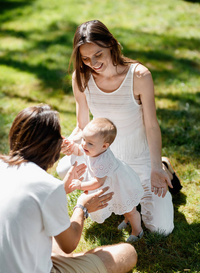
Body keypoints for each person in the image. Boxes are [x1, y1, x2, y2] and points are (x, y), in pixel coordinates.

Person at [57, 19, 182, 236]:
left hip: (138, 158)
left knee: (161, 229)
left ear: (111, 45)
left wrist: (153, 167)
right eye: (86, 58)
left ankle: (162, 166)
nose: (93, 63)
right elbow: (82, 126)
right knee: (64, 168)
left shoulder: (139, 76)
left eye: (98, 54)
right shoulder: (81, 77)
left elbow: (152, 126)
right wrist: (70, 142)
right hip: (104, 158)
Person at [0, 104, 137, 273]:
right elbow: (69, 245)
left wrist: (61, 190)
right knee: (127, 252)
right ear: (50, 145)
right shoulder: (46, 186)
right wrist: (82, 207)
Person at [67, 117, 144, 243]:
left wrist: (81, 185)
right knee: (123, 205)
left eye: (89, 143)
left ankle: (137, 231)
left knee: (129, 208)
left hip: (120, 184)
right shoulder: (91, 147)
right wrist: (71, 146)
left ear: (104, 146)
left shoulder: (103, 160)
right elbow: (79, 150)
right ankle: (127, 220)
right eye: (84, 139)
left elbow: (98, 182)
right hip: (112, 182)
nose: (84, 144)